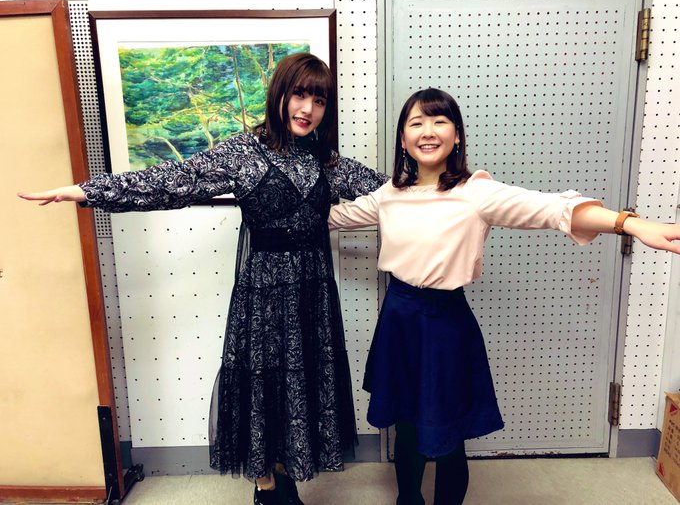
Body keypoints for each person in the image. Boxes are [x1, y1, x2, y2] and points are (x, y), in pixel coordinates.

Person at [18, 52, 387, 505]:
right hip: (263, 294)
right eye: (299, 95)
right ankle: (265, 485)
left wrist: (446, 184)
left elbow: (387, 189)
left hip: (312, 293)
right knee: (261, 384)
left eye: (319, 100)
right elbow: (173, 181)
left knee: (299, 383)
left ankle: (283, 472)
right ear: (279, 94)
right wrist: (86, 191)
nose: (307, 109)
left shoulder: (323, 160)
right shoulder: (244, 152)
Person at [327, 88, 680, 505]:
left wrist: (629, 224)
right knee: (405, 425)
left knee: (448, 434)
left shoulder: (476, 191)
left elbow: (551, 208)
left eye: (439, 121)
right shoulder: (390, 194)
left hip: (445, 322)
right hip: (399, 319)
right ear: (403, 139)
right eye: (416, 123)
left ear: (457, 135)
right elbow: (337, 217)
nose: (428, 131)